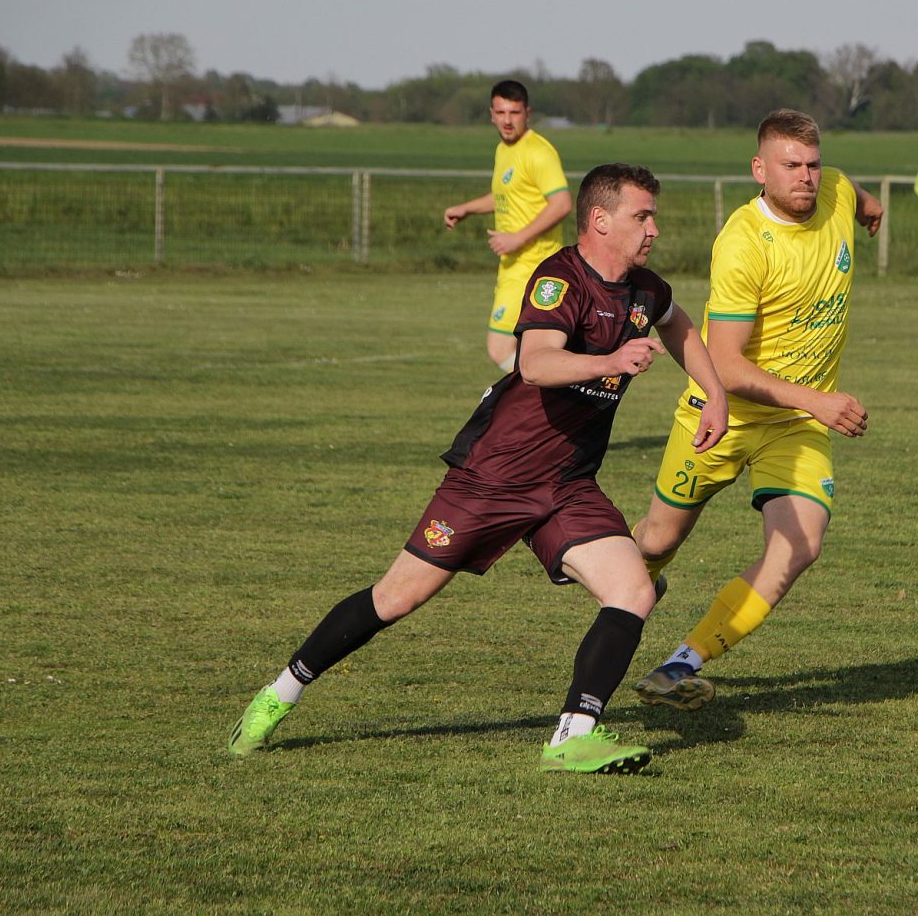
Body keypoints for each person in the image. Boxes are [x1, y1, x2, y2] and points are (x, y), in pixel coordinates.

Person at [228, 163, 728, 774]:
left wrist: (715, 394)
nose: (654, 228)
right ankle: (280, 693)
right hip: (493, 476)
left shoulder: (646, 290)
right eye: (641, 216)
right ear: (600, 219)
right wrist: (611, 360)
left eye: (653, 216)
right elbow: (535, 364)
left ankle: (572, 737)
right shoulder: (560, 280)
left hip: (567, 484)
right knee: (395, 598)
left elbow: (679, 326)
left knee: (634, 590)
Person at [629, 109, 883, 711]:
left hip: (792, 427)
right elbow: (725, 365)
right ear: (759, 170)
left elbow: (853, 192)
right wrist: (819, 400)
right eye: (790, 165)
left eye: (813, 164)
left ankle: (682, 663)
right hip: (720, 414)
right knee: (654, 545)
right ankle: (624, 581)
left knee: (800, 546)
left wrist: (869, 208)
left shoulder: (836, 190)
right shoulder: (743, 242)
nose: (806, 177)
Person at [443, 79, 572, 371]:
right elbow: (506, 195)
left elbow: (562, 203)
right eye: (501, 113)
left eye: (514, 113)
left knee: (500, 348)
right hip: (513, 266)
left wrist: (518, 238)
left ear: (528, 113)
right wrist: (467, 209)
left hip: (534, 266)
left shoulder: (538, 152)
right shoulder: (504, 150)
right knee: (528, 349)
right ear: (491, 114)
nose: (507, 120)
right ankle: (555, 389)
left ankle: (562, 387)